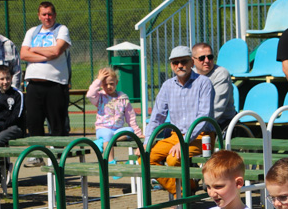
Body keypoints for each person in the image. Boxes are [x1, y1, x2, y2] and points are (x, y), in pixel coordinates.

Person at [145, 46, 214, 200]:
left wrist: (184, 140)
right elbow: (157, 116)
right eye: (175, 63)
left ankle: (181, 195)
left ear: (191, 63)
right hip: (176, 136)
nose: (179, 65)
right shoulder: (167, 86)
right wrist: (147, 141)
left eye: (183, 61)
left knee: (173, 159)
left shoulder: (204, 83)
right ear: (171, 65)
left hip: (201, 136)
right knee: (145, 158)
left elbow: (203, 117)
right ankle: (184, 190)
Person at [20, 1, 72, 137]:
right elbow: (24, 54)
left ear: (54, 15)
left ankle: (59, 155)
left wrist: (35, 49)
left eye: (49, 14)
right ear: (39, 16)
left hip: (55, 85)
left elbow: (56, 52)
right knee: (33, 123)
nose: (47, 17)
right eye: (44, 14)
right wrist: (46, 56)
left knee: (57, 125)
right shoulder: (32, 31)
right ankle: (37, 156)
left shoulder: (61, 30)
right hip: (33, 85)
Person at [87, 67, 143, 163]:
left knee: (130, 131)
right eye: (105, 84)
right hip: (102, 129)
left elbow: (131, 117)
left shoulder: (123, 98)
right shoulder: (99, 97)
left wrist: (138, 133)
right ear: (101, 85)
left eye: (111, 84)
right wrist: (99, 80)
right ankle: (111, 162)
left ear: (116, 82)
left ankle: (102, 142)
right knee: (107, 134)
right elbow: (90, 94)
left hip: (117, 130)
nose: (109, 86)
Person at [191, 43, 236, 130]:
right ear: (193, 61)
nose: (207, 60)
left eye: (210, 57)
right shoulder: (190, 76)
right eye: (202, 58)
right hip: (196, 123)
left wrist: (194, 127)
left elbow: (216, 109)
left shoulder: (221, 74)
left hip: (221, 124)